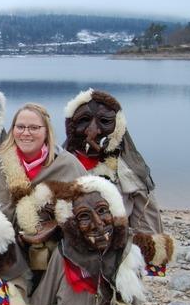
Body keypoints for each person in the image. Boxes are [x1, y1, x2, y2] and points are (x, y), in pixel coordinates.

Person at [30, 175, 165, 305]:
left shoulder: (125, 256)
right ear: (73, 224)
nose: (98, 224)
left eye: (102, 211)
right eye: (84, 216)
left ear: (114, 213)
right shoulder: (64, 254)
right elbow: (41, 302)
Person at [0, 103, 86, 278]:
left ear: (46, 131)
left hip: (56, 258)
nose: (26, 133)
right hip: (6, 257)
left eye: (34, 128)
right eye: (20, 127)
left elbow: (86, 208)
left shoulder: (68, 165)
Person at [64, 88, 164, 235]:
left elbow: (148, 229)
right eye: (84, 121)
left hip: (117, 249)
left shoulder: (129, 171)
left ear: (117, 127)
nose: (93, 131)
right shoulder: (59, 165)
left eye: (104, 121)